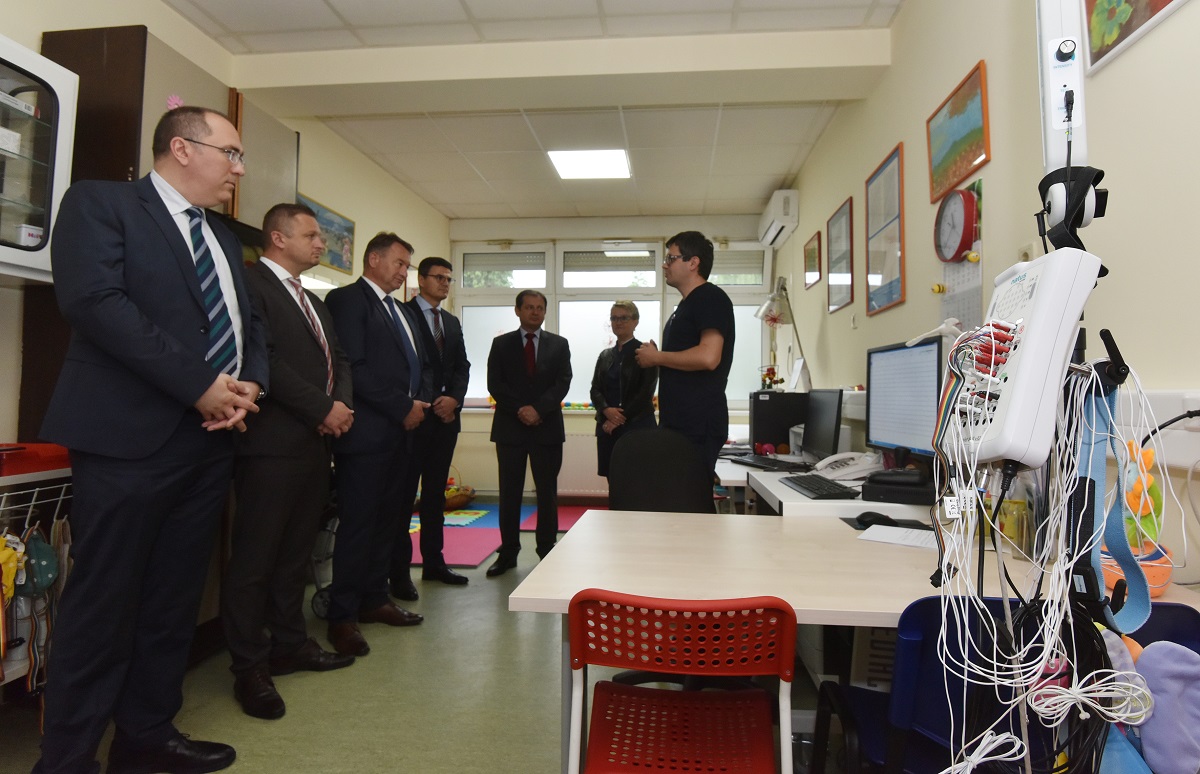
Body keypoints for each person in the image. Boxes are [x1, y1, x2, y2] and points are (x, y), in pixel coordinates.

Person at [34, 106, 268, 774]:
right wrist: (199, 384)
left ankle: (146, 736)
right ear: (182, 148)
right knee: (103, 605)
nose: (239, 169)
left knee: (172, 603)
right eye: (231, 153)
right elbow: (95, 302)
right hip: (127, 441)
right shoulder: (101, 204)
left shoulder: (221, 236)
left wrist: (248, 384)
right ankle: (67, 760)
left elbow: (248, 322)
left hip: (209, 443)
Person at [220, 203, 356, 721]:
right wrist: (322, 408)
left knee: (295, 555)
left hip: (314, 445)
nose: (321, 244)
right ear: (278, 238)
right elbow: (264, 359)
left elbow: (338, 358)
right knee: (255, 560)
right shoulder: (251, 285)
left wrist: (339, 407)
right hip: (270, 444)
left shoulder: (313, 300)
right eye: (312, 235)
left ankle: (291, 644)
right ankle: (249, 666)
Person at [323, 233, 431, 657]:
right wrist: (402, 406)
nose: (405, 272)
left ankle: (374, 599)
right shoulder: (348, 301)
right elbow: (353, 367)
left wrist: (418, 402)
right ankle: (342, 615)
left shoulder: (400, 310)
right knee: (358, 526)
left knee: (389, 523)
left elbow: (417, 364)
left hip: (403, 434)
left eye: (407, 266)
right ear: (373, 259)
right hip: (367, 435)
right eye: (399, 263)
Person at [390, 257, 471, 598]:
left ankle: (434, 563)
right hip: (414, 419)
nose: (444, 283)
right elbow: (401, 366)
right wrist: (427, 401)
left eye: (448, 279)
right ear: (421, 280)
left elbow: (462, 366)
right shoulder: (402, 314)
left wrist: (454, 400)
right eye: (439, 277)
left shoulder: (450, 322)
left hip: (446, 421)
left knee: (436, 495)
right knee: (404, 496)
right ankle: (398, 573)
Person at [485, 290, 572, 577]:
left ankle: (547, 549)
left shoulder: (559, 344)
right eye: (529, 307)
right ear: (518, 310)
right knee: (509, 493)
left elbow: (563, 382)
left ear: (545, 312)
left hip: (547, 429)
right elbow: (495, 383)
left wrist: (538, 409)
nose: (535, 312)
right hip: (510, 428)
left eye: (540, 308)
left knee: (547, 493)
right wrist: (521, 410)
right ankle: (508, 552)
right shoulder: (501, 344)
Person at [635, 231, 735, 475]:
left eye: (671, 258)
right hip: (680, 422)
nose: (664, 265)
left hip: (697, 424)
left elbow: (708, 357)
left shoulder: (711, 298)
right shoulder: (685, 306)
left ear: (693, 262)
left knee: (690, 494)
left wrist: (657, 357)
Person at [590, 301, 658, 478]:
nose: (618, 322)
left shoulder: (645, 352)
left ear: (635, 321)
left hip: (636, 426)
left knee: (638, 479)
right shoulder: (605, 355)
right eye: (614, 318)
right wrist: (606, 410)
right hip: (607, 427)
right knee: (613, 479)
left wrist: (618, 418)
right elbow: (595, 389)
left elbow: (645, 392)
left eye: (624, 318)